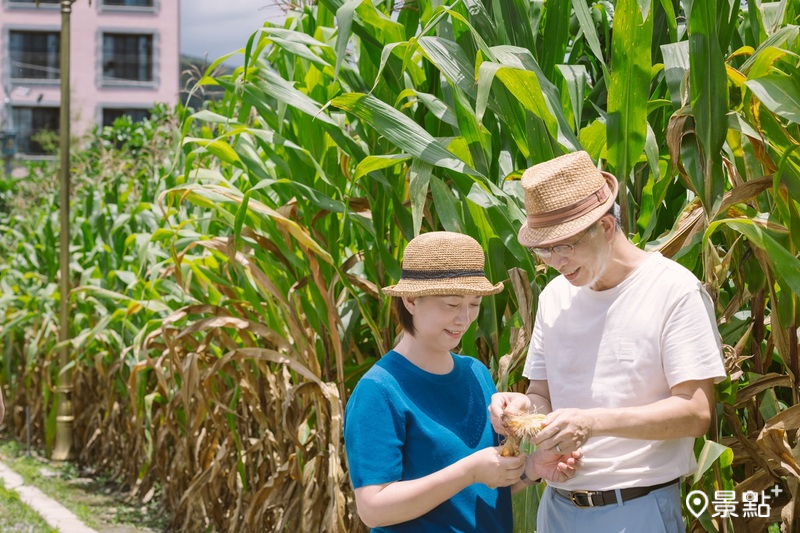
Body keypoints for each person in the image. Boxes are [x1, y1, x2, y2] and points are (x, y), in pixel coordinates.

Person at [489, 151, 727, 532]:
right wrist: (523, 409)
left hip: (636, 508)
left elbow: (696, 412)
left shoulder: (674, 291)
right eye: (544, 250)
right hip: (556, 507)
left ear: (606, 227)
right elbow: (542, 393)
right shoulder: (554, 297)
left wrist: (594, 423)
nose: (555, 261)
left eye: (564, 246)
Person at [344, 231, 581, 532]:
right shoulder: (379, 389)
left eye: (474, 304)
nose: (465, 319)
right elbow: (373, 509)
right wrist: (469, 471)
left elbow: (484, 488)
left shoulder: (476, 373)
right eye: (452, 304)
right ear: (411, 300)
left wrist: (532, 470)